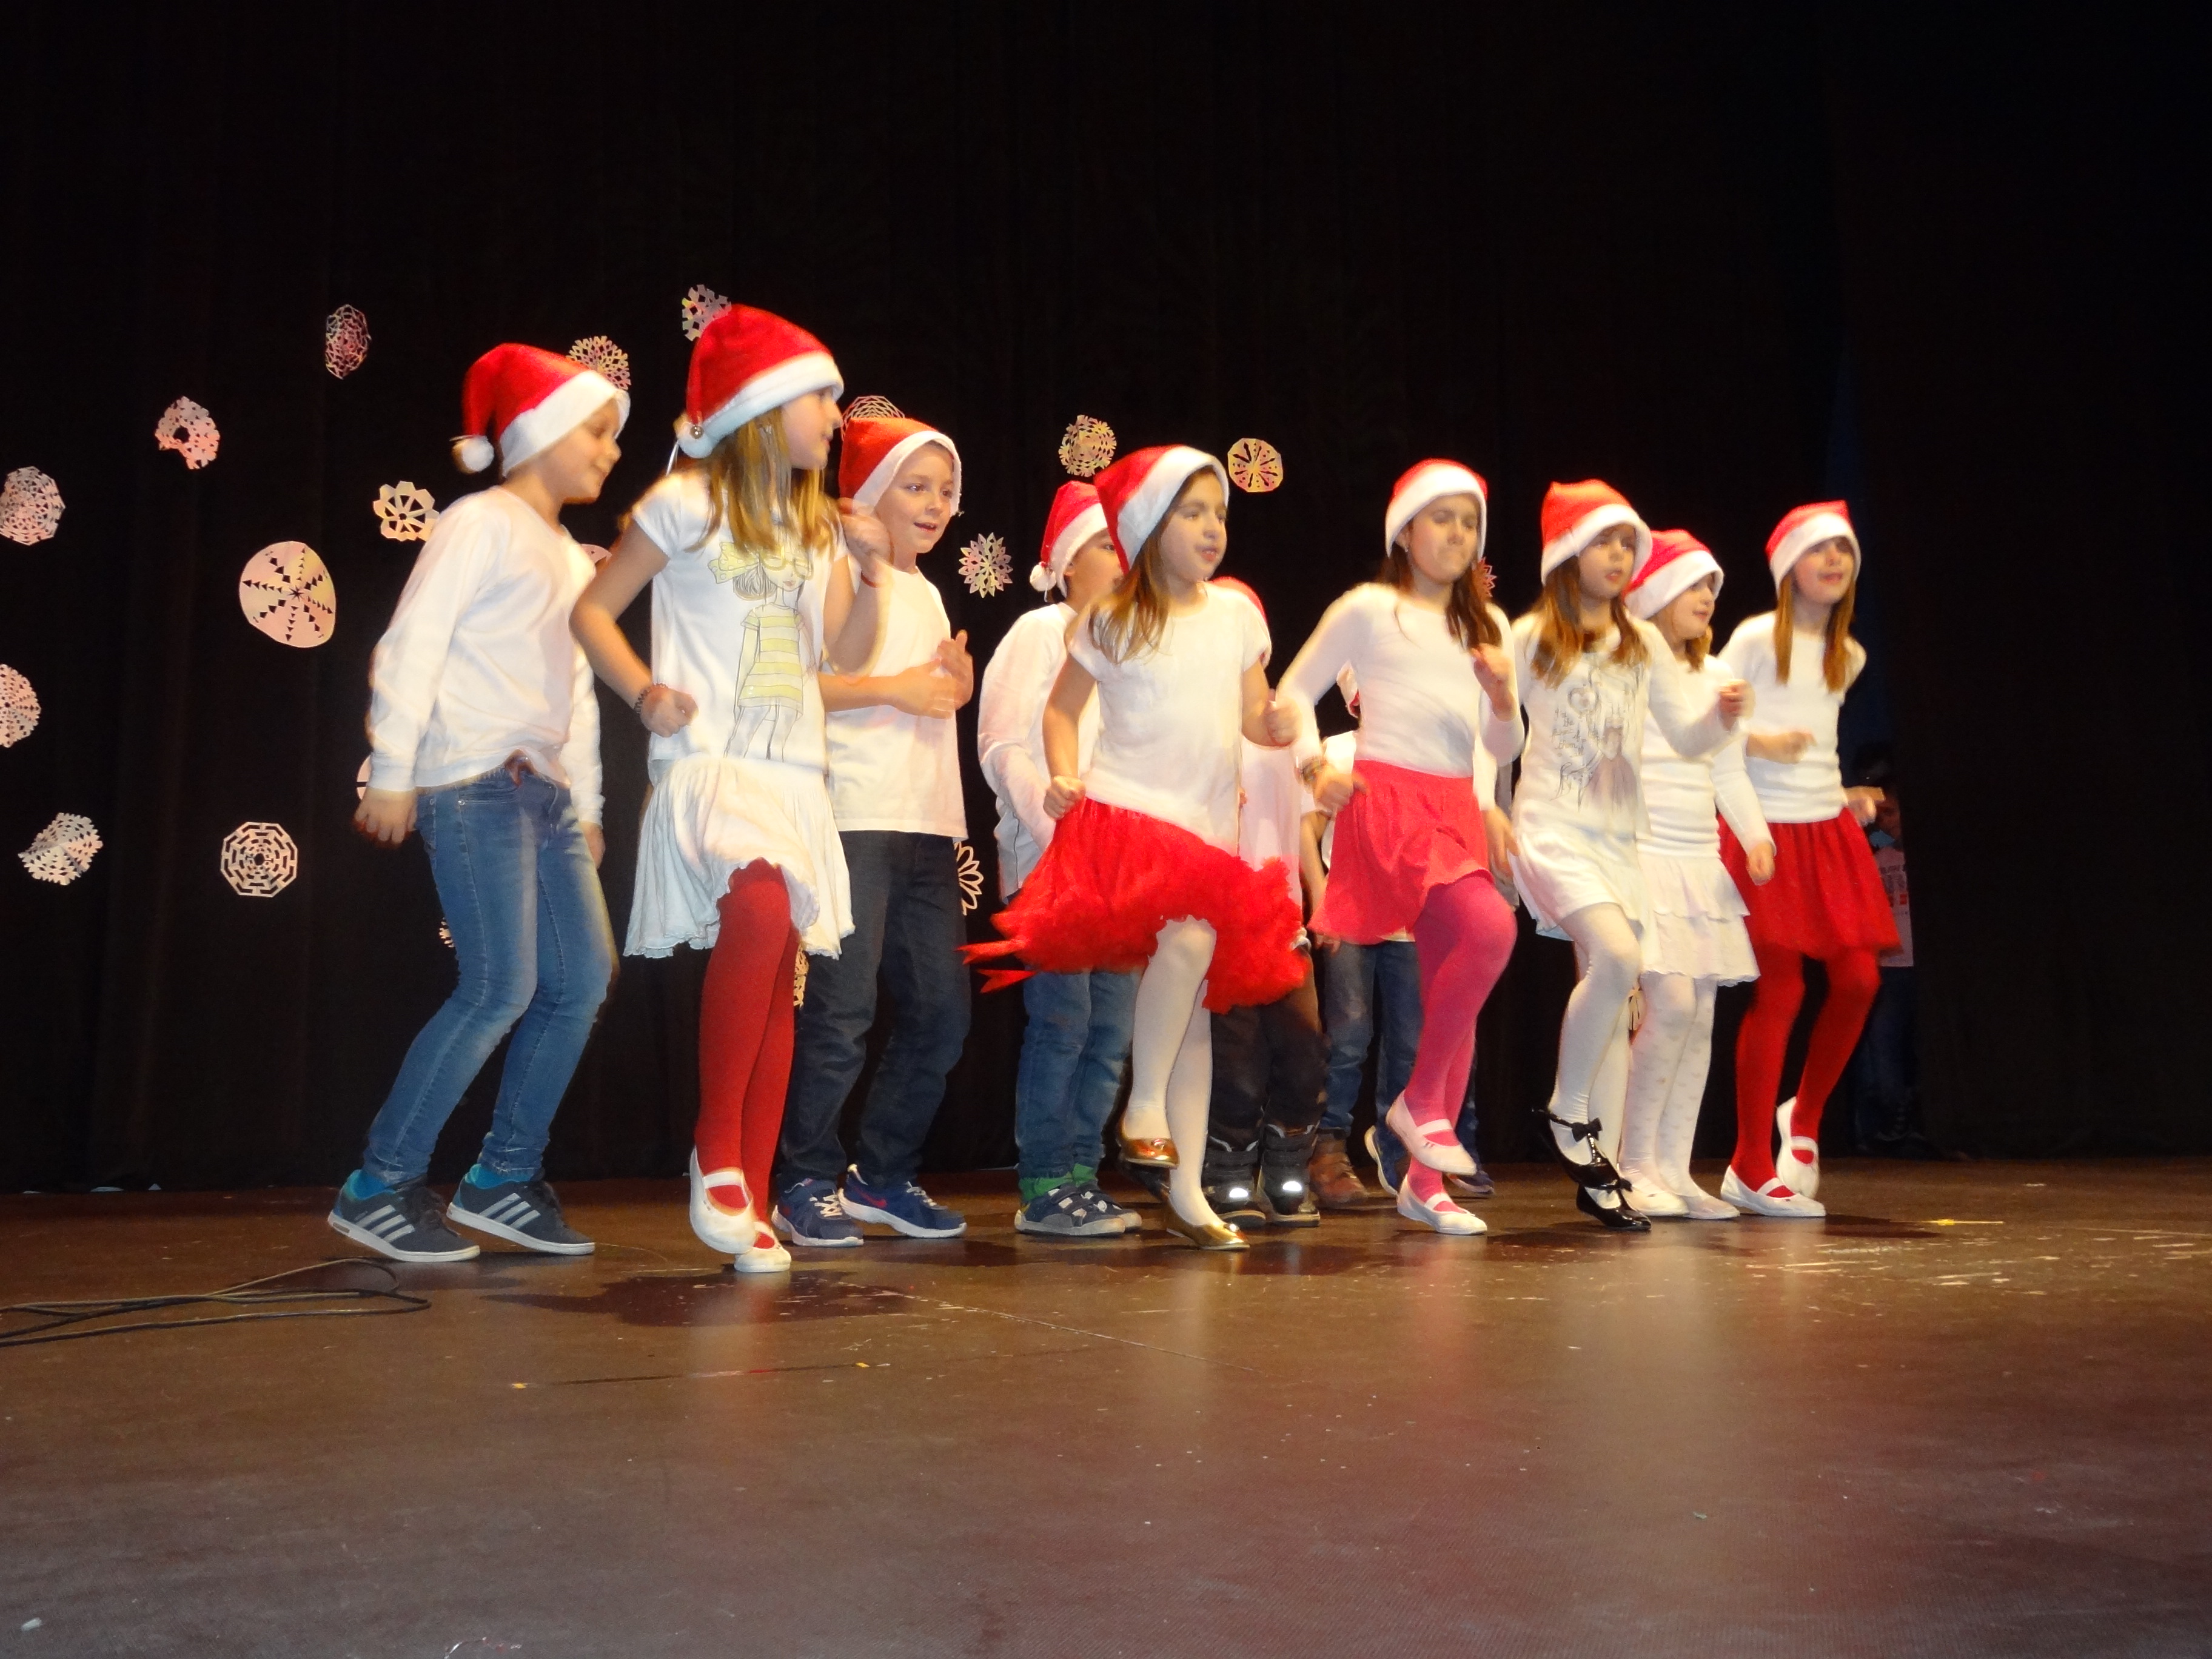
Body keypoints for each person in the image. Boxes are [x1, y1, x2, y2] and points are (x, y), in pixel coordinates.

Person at [569, 304, 889, 1272]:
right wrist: (645, 692)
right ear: (762, 408)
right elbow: (593, 611)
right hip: (713, 762)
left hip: (794, 773)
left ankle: (747, 1187)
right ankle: (715, 1149)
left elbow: (844, 653)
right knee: (757, 906)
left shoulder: (816, 527)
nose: (835, 419)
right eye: (820, 399)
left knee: (781, 971)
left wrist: (871, 574)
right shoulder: (684, 504)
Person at [965, 446, 1304, 1249]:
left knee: (1190, 1015)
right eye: (1191, 513)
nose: (1212, 528)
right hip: (1128, 826)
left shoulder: (1236, 616)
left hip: (1206, 834)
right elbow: (1059, 711)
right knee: (1186, 942)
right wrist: (1061, 773)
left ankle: (1187, 1193)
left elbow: (1253, 715)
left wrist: (1277, 724)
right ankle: (1142, 1106)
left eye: (1218, 513)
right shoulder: (1112, 619)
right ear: (1148, 525)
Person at [332, 344, 627, 1262]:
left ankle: (502, 1177)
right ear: (538, 433)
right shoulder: (479, 522)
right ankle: (379, 1184)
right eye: (596, 431)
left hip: (547, 792)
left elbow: (577, 690)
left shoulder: (571, 559)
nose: (612, 450)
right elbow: (413, 642)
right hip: (473, 780)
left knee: (582, 980)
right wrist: (394, 768)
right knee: (500, 985)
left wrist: (589, 803)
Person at [1269, 461, 1523, 1236]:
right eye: (1441, 518)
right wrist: (1314, 770)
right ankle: (1415, 1107)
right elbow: (1292, 691)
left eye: (1469, 522)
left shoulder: (1489, 625)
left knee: (1458, 987)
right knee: (1491, 930)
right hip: (1389, 800)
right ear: (1405, 532)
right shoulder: (1369, 609)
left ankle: (1423, 1183)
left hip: (1455, 805)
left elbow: (1502, 746)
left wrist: (1503, 696)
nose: (1458, 534)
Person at [1509, 480, 1746, 1230]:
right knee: (1617, 958)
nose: (1618, 555)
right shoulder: (1529, 636)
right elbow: (1494, 736)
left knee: (1617, 996)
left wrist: (1722, 719)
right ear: (1567, 552)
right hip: (1551, 829)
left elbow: (1688, 739)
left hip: (1619, 844)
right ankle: (1567, 1109)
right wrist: (1486, 809)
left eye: (1627, 544)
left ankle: (1600, 1165)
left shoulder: (1641, 641)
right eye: (1603, 541)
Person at [773, 415, 976, 1245]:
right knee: (841, 1013)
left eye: (945, 491)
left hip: (928, 825)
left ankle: (882, 1176)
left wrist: (954, 686)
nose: (934, 505)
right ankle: (802, 1179)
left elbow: (927, 695)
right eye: (915, 486)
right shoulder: (838, 567)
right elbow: (800, 683)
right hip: (855, 815)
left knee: (942, 1015)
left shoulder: (929, 591)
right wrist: (896, 689)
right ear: (867, 493)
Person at [1715, 502, 1897, 1217]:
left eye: (1844, 551)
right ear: (1789, 565)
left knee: (1858, 978)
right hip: (1764, 830)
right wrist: (1762, 743)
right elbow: (1707, 720)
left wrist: (1843, 793)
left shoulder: (1849, 655)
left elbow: (1821, 743)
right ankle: (1748, 1162)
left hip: (1827, 831)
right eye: (1819, 550)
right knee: (1782, 990)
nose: (1834, 562)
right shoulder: (1756, 638)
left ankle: (1806, 1115)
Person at [974, 481, 1141, 1237]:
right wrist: (1052, 824)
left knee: (1110, 1031)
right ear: (1069, 563)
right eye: (1105, 545)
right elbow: (1002, 742)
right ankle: (1045, 1182)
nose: (1121, 559)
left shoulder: (1132, 644)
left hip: (1123, 872)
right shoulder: (1038, 633)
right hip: (1053, 865)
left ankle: (1082, 1174)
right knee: (1064, 1021)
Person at [1615, 529, 1772, 1220]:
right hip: (1645, 855)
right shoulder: (1631, 666)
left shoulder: (1717, 677)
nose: (1707, 596)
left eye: (1712, 585)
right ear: (1654, 594)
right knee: (1671, 1006)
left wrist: (1755, 836)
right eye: (1691, 584)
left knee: (1701, 1017)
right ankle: (1633, 1163)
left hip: (1699, 865)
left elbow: (1727, 771)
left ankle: (1675, 1169)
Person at [1202, 575, 1326, 1231]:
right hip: (1220, 916)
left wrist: (1321, 894)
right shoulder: (1198, 717)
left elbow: (1305, 815)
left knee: (1304, 1048)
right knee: (1236, 1059)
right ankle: (1227, 1170)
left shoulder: (1286, 719)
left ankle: (1287, 1169)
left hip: (1282, 917)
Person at [1301, 709, 1420, 1212]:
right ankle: (1326, 1150)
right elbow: (1308, 827)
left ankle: (1400, 1146)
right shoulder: (1339, 750)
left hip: (1410, 913)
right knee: (1349, 1034)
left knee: (1410, 1042)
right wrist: (1321, 896)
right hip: (1350, 908)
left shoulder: (1423, 748)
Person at [1847, 745, 1925, 1155]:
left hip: (1918, 965)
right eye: (1882, 815)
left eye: (1892, 813)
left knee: (1910, 1045)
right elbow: (1869, 839)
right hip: (1890, 965)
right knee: (1882, 1043)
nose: (1886, 822)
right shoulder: (1879, 849)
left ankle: (1913, 1118)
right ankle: (1890, 1119)